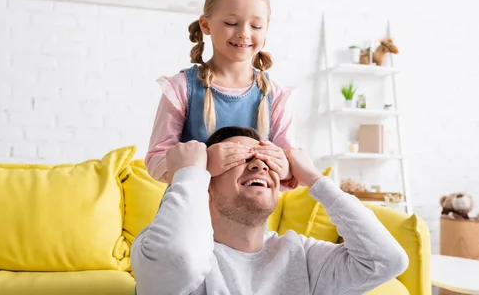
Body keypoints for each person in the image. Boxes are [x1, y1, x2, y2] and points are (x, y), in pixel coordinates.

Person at [132, 126, 409, 295]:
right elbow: (179, 259)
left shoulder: (300, 256)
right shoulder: (157, 247)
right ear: (206, 184)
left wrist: (314, 179)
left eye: (266, 160)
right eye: (236, 158)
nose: (258, 165)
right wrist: (190, 171)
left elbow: (387, 260)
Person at [145, 0, 296, 187]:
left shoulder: (275, 96)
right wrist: (203, 164)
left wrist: (284, 167)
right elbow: (156, 160)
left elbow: (291, 168)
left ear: (266, 28)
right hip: (187, 214)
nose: (244, 33)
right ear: (205, 25)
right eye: (231, 23)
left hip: (250, 218)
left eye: (256, 26)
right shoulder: (181, 88)